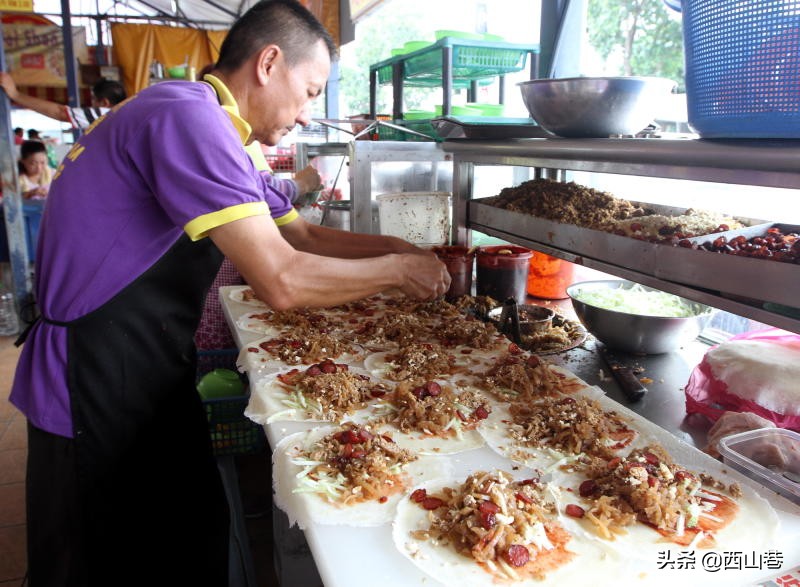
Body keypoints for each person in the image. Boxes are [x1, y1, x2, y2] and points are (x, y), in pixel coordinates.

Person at [9, 1, 449, 586]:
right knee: (97, 550)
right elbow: (282, 278)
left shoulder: (228, 137)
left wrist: (400, 246)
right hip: (92, 372)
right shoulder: (185, 116)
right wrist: (396, 272)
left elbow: (306, 235)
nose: (309, 114)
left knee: (191, 527)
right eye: (312, 90)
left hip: (146, 358)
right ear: (269, 63)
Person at [0, 74, 127, 130]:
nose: (91, 105)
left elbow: (61, 113)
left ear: (104, 103)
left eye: (94, 101)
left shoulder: (106, 114)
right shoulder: (125, 116)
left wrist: (15, 94)